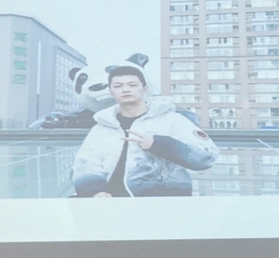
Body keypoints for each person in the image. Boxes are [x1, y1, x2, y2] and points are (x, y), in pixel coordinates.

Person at [72, 66, 219, 197]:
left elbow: (208, 157)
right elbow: (86, 162)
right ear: (111, 91)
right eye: (118, 86)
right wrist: (96, 191)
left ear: (145, 88)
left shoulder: (173, 120)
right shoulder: (102, 126)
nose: (125, 89)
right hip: (111, 201)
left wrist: (159, 144)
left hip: (162, 201)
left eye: (132, 85)